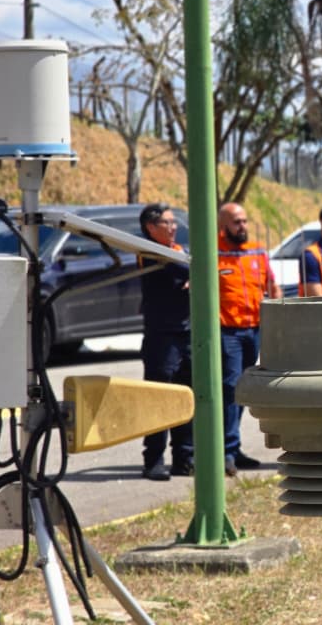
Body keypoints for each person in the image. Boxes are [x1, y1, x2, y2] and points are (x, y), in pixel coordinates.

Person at [217, 202, 281, 476]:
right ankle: (226, 451)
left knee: (241, 391)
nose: (242, 226)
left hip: (253, 329)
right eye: (236, 222)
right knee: (231, 387)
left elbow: (272, 286)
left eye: (244, 221)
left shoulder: (256, 250)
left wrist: (277, 316)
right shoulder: (214, 253)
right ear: (223, 225)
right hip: (227, 330)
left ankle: (233, 447)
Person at [138, 203, 193, 481]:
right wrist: (189, 275)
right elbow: (183, 274)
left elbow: (192, 273)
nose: (173, 228)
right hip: (162, 336)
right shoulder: (148, 251)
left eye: (174, 223)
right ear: (151, 227)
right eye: (167, 223)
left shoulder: (178, 251)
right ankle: (153, 460)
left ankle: (184, 458)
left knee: (187, 396)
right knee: (159, 398)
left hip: (187, 332)